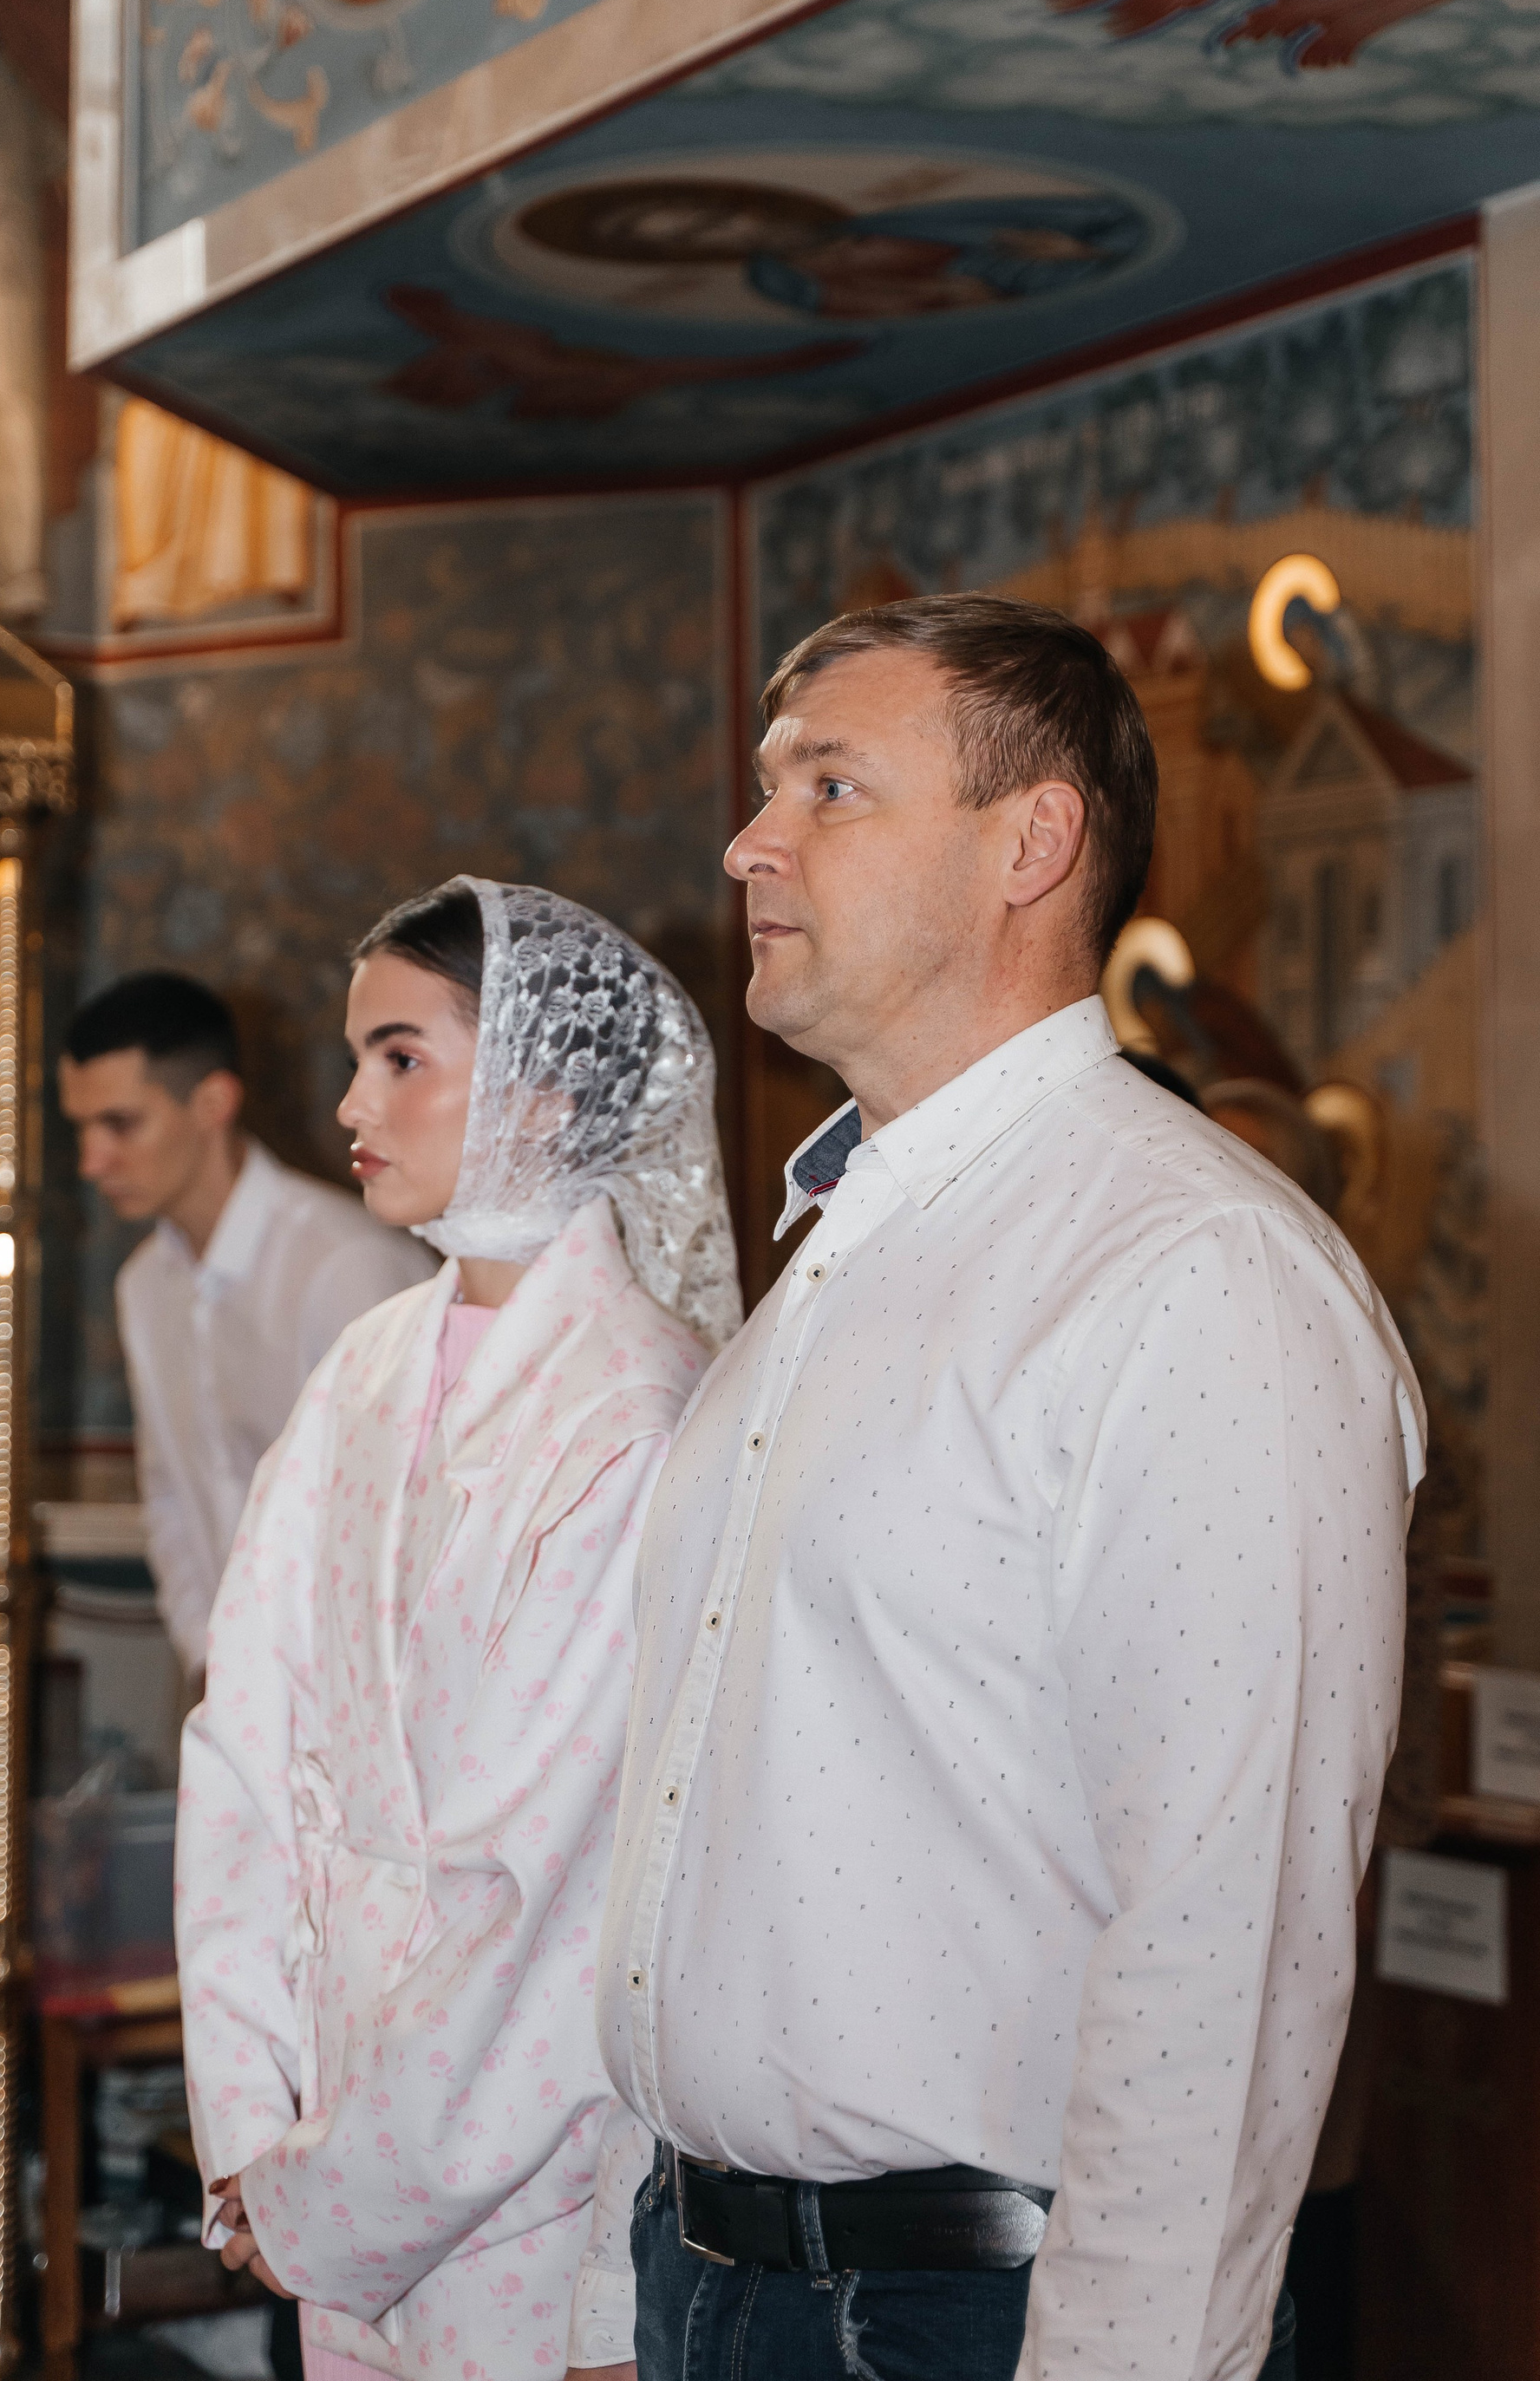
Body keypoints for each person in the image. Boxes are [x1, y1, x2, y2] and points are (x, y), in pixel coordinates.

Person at [595, 594, 1425, 2381]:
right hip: (711, 2274)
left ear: (1030, 844)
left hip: (967, 2314)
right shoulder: (835, 1257)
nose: (749, 841)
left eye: (830, 787)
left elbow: (1224, 1948)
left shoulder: (1192, 1268)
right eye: (767, 787)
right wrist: (628, 2268)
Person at [174, 881, 740, 2381]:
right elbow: (245, 1752)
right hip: (327, 2122)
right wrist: (252, 2128)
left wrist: (329, 2194)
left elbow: (554, 1893)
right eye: (357, 1057)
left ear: (541, 1092)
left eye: (401, 1056)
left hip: (535, 2174)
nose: (351, 1103)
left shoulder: (634, 1410)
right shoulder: (364, 1367)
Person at [60, 971, 428, 1684]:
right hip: (233, 1687)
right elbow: (170, 1495)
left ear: (213, 1103)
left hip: (367, 1685)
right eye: (82, 1128)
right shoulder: (144, 1286)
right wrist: (209, 1658)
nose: (91, 1161)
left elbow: (405, 1513)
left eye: (120, 1124)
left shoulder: (345, 1264)